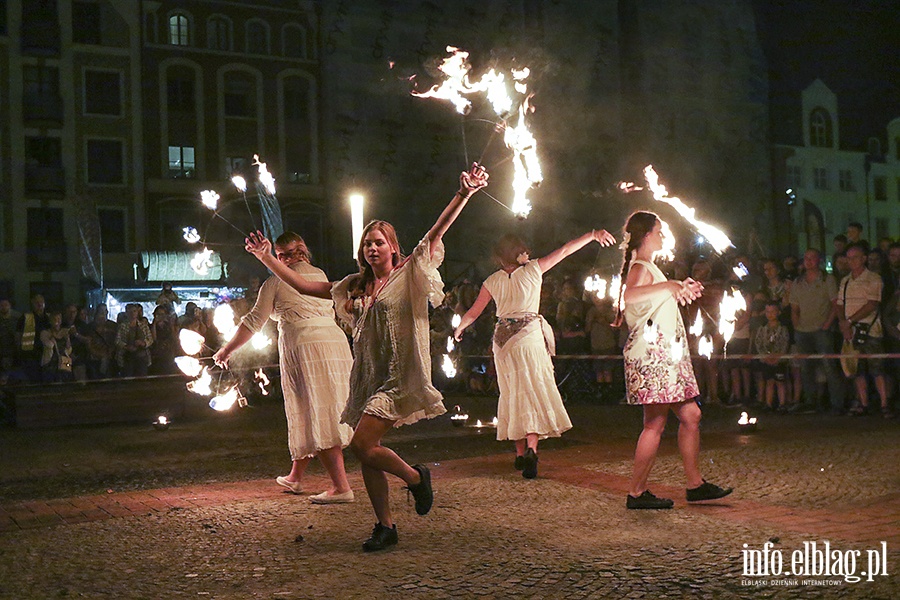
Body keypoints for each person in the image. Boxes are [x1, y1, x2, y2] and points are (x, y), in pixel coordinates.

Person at [245, 163, 489, 551]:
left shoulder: (408, 274)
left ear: (393, 247)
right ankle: (385, 526)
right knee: (366, 453)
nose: (372, 248)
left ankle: (414, 478)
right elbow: (304, 285)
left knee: (361, 445)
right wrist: (265, 258)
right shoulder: (354, 286)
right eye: (367, 244)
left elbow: (436, 231)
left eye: (379, 242)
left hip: (398, 375)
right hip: (367, 377)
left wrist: (465, 193)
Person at [453, 229, 617, 478]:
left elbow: (475, 311)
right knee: (531, 390)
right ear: (519, 251)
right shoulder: (534, 269)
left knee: (512, 393)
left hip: (503, 341)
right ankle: (531, 448)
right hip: (528, 336)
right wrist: (592, 235)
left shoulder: (492, 280)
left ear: (499, 257)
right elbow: (565, 250)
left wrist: (459, 328)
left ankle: (519, 454)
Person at [214, 232, 355, 504]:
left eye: (281, 256)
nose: (281, 261)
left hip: (306, 346)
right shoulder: (320, 273)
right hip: (334, 343)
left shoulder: (275, 282)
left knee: (318, 409)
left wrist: (226, 350)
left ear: (289, 255)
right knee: (314, 405)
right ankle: (295, 476)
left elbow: (254, 321)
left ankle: (341, 486)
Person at [615, 211, 732, 509]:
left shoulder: (651, 268)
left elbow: (653, 300)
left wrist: (680, 288)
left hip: (667, 356)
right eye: (659, 231)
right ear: (646, 236)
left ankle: (695, 485)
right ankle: (637, 493)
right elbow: (629, 297)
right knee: (654, 423)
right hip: (653, 356)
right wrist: (670, 286)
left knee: (691, 416)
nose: (664, 235)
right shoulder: (640, 266)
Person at [837, 243, 891, 418]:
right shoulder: (845, 281)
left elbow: (872, 304)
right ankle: (863, 403)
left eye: (855, 257)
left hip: (870, 330)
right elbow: (839, 304)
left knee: (877, 369)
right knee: (856, 370)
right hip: (851, 332)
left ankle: (884, 404)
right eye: (849, 258)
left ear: (864, 259)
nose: (851, 261)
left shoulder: (874, 278)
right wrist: (843, 323)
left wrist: (850, 321)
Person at [789, 248, 844, 414]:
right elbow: (794, 307)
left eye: (812, 258)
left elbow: (835, 304)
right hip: (803, 331)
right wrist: (796, 324)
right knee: (806, 368)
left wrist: (827, 324)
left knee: (829, 366)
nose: (808, 261)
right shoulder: (797, 282)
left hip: (822, 330)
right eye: (806, 258)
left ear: (818, 260)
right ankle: (810, 402)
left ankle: (837, 404)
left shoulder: (828, 279)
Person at [753, 302, 790, 411]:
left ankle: (782, 404)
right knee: (769, 381)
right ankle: (768, 404)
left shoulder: (783, 328)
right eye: (768, 312)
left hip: (779, 361)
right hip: (766, 360)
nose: (770, 314)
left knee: (780, 382)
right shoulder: (762, 328)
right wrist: (765, 357)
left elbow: (785, 343)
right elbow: (758, 343)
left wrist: (777, 358)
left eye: (773, 312)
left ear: (778, 312)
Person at [16, 294, 51, 382]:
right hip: (30, 354)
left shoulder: (49, 317)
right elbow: (18, 335)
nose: (39, 304)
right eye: (37, 302)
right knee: (33, 379)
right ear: (32, 304)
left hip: (46, 352)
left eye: (41, 302)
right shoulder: (25, 317)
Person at [115, 303, 153, 377]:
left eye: (134, 311)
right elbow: (117, 340)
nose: (132, 314)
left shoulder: (143, 326)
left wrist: (143, 343)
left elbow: (150, 339)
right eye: (130, 312)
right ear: (126, 313)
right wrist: (126, 347)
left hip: (141, 357)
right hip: (126, 357)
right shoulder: (122, 326)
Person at [39, 310, 74, 383]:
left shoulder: (65, 332)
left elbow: (69, 349)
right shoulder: (45, 333)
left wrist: (67, 338)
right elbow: (49, 345)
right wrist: (53, 337)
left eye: (58, 319)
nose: (56, 321)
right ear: (50, 321)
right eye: (54, 319)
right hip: (51, 363)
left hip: (64, 362)